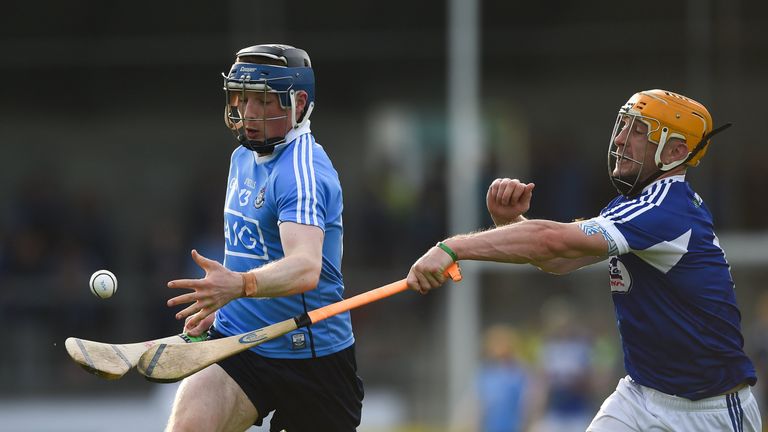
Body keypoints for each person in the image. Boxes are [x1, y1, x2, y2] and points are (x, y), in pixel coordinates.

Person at [407, 89, 761, 431]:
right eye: (623, 126)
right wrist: (511, 226)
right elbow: (559, 261)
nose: (621, 140)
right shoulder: (631, 207)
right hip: (639, 396)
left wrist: (451, 247)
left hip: (708, 411)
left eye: (639, 131)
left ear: (675, 152)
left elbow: (551, 241)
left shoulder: (666, 210)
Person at [163, 44, 363, 432]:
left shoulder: (301, 173)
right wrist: (220, 306)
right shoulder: (242, 156)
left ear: (298, 103)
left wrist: (236, 286)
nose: (248, 114)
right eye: (242, 98)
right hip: (239, 343)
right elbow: (249, 249)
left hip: (311, 357)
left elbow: (306, 269)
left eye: (263, 101)